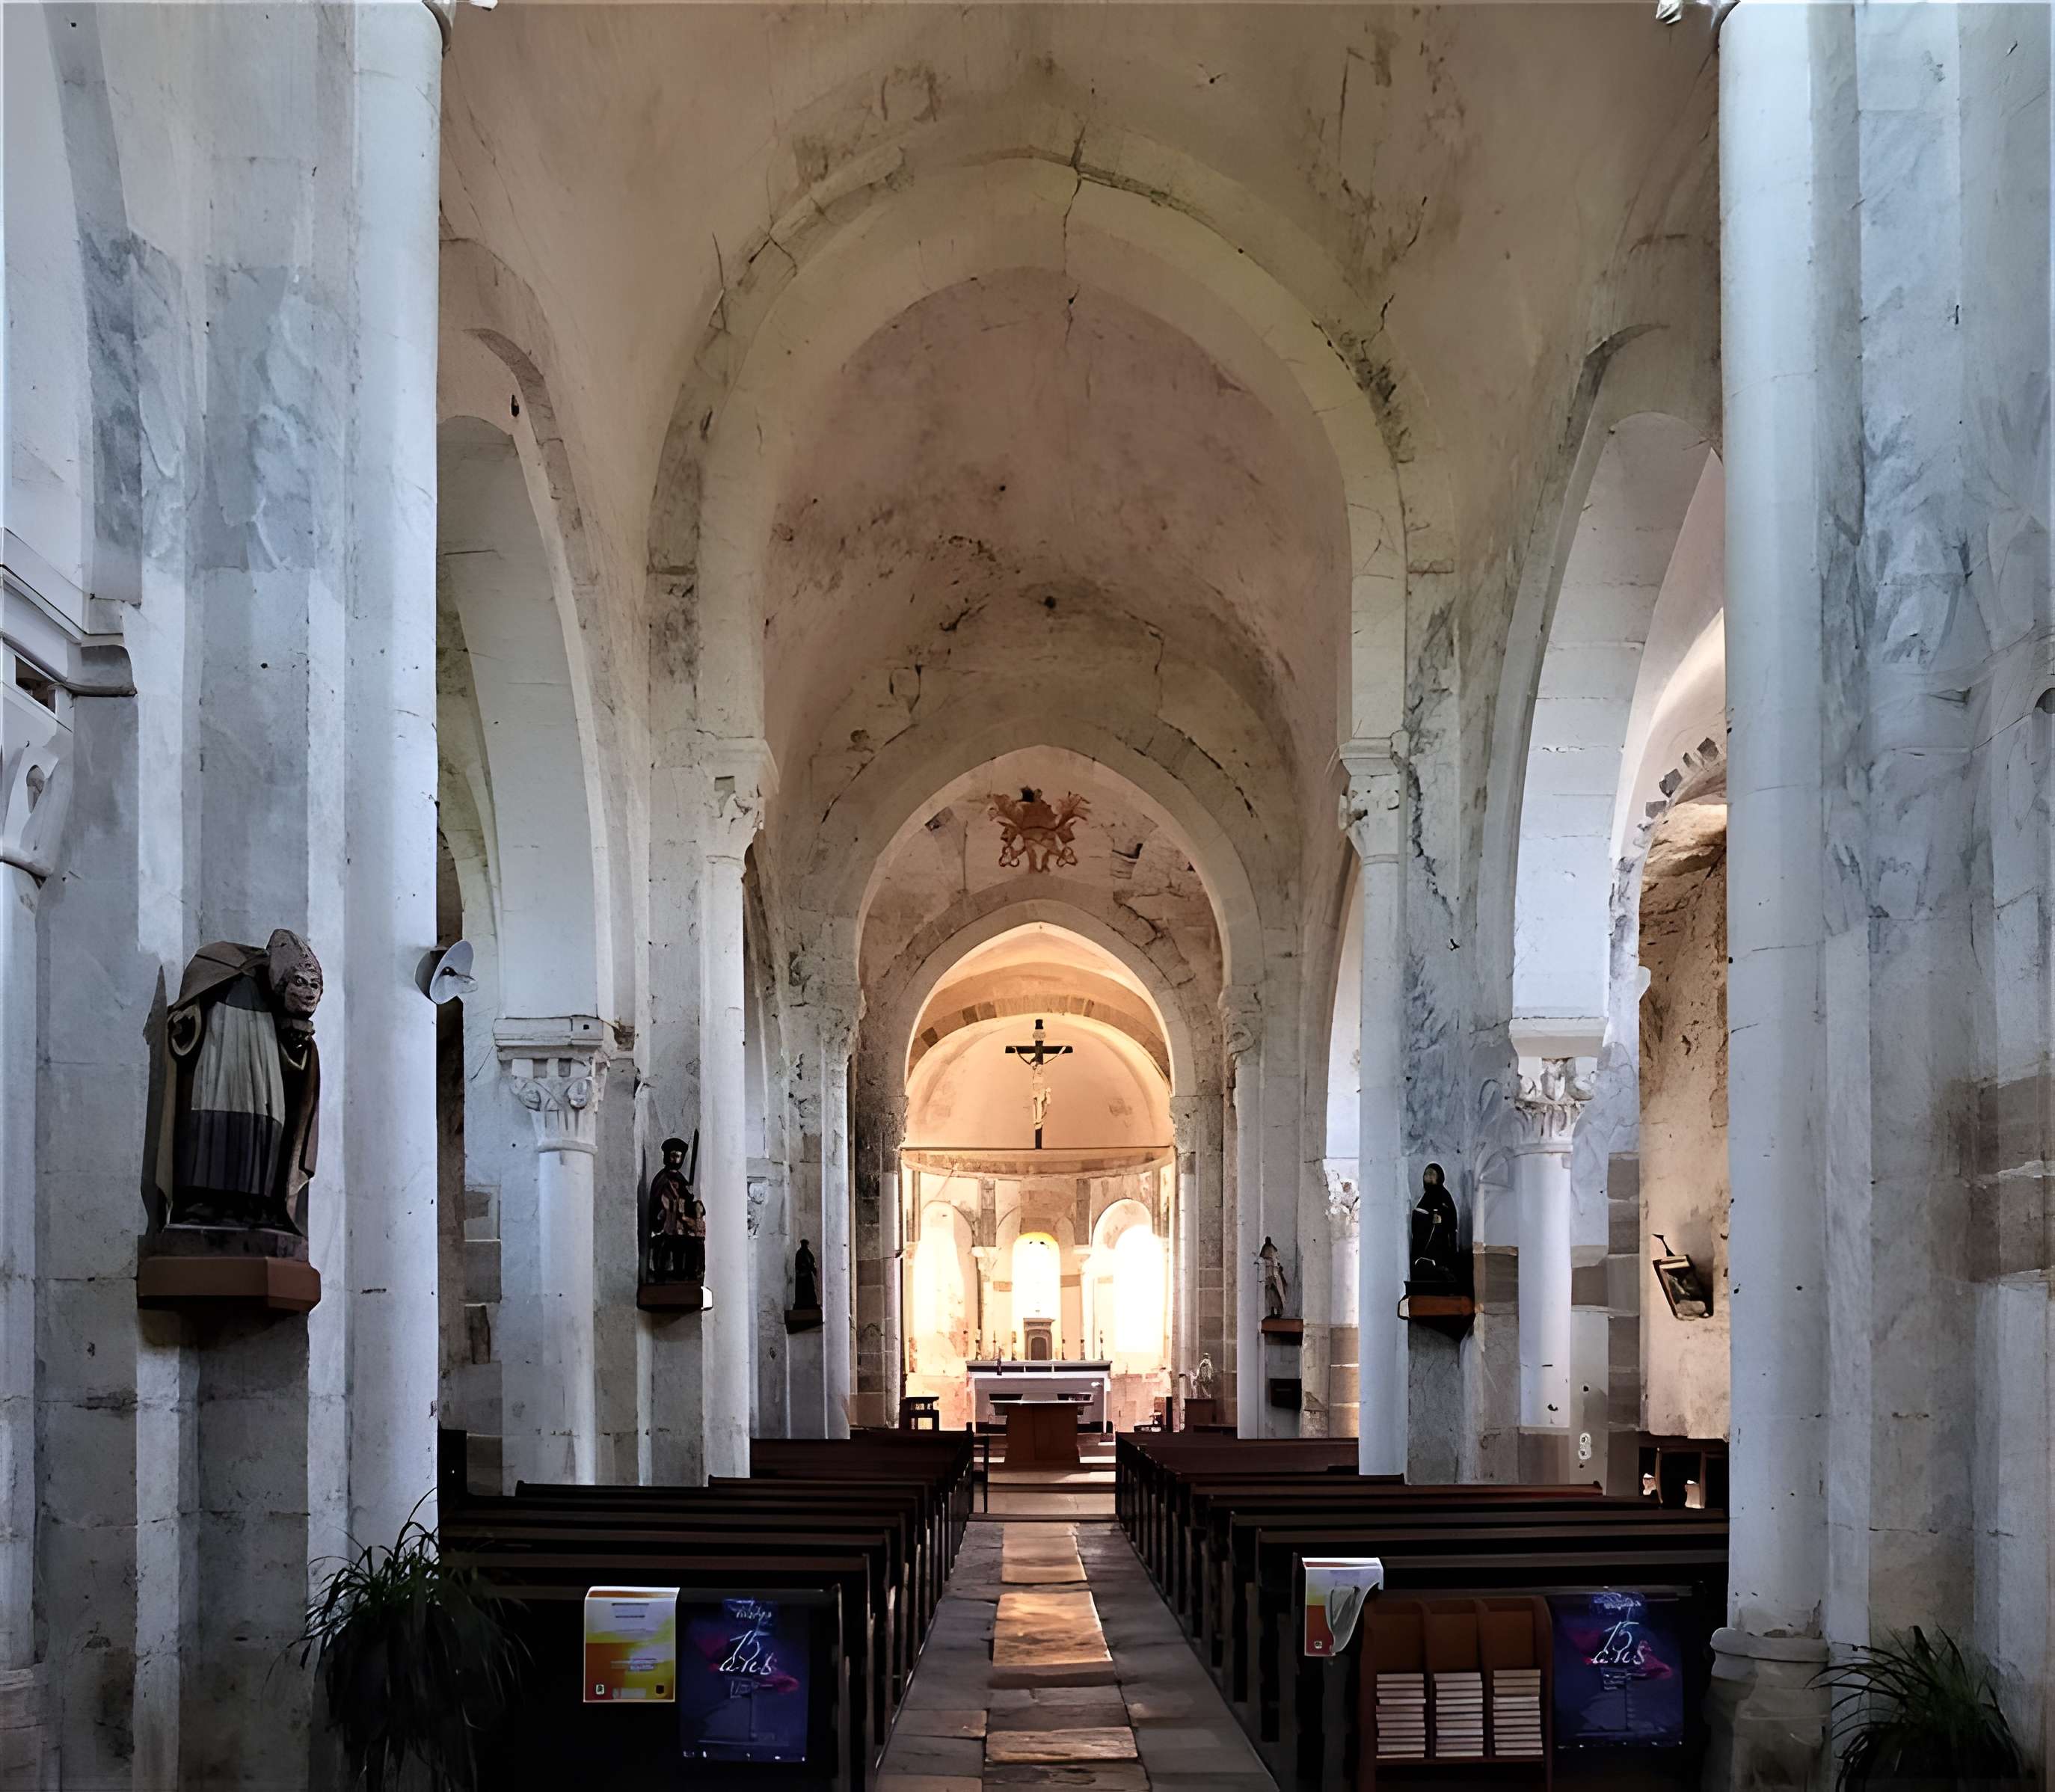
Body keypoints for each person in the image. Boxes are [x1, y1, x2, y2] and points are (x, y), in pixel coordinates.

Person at [157, 930, 323, 1231]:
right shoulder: (218, 964)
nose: (309, 991)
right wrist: (186, 1020)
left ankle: (255, 1205)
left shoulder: (273, 1000)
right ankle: (203, 1202)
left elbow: (294, 1061)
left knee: (262, 1132)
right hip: (220, 1060)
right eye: (301, 981)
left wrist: (295, 1039)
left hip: (265, 1072)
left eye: (315, 986)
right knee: (213, 1127)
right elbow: (189, 1013)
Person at [648, 1134, 702, 1283]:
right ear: (666, 1156)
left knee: (692, 1243)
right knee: (670, 1245)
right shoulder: (662, 1179)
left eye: (679, 1156)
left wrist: (689, 1197)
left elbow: (685, 1200)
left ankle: (686, 1275)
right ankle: (663, 1276)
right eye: (672, 1156)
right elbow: (659, 1202)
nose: (675, 1160)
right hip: (665, 1225)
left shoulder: (680, 1178)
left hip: (679, 1226)